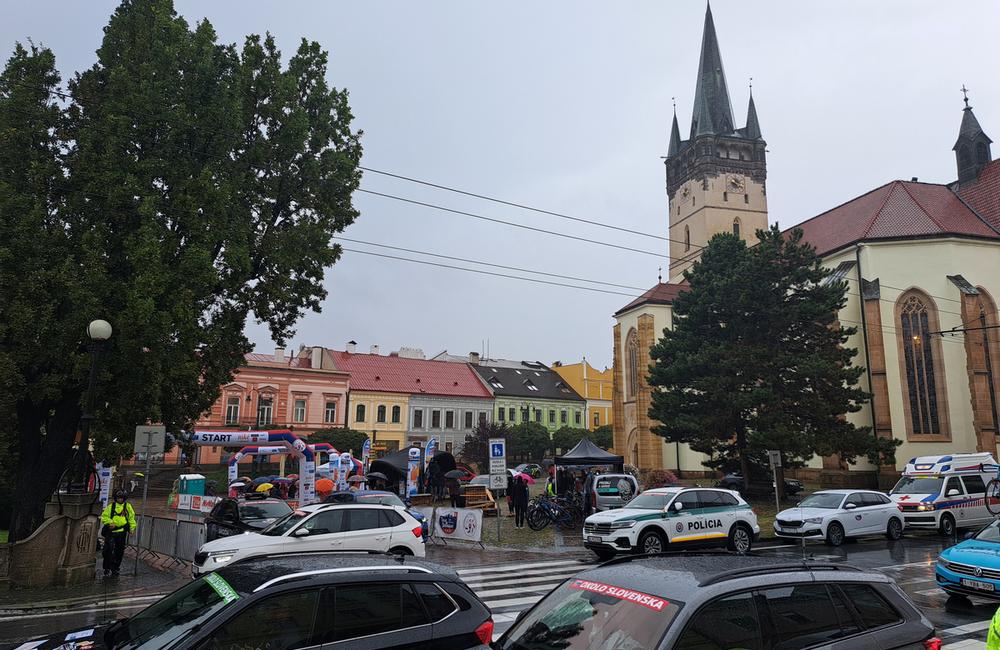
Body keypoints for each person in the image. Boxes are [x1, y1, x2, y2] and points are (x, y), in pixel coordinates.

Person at [100, 489, 136, 577]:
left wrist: (132, 528)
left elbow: (131, 518)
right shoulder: (111, 507)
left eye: (122, 498)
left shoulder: (127, 507)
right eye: (118, 498)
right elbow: (104, 516)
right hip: (111, 532)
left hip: (122, 533)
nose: (120, 500)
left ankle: (115, 568)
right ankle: (107, 567)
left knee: (119, 551)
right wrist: (109, 522)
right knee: (108, 550)